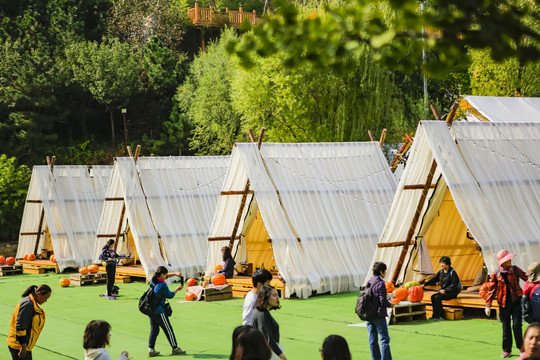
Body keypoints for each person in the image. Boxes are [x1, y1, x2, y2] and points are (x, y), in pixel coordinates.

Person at [485, 249, 528, 358]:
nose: (510, 260)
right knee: (506, 327)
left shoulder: (515, 269)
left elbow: (527, 278)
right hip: (503, 304)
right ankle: (506, 350)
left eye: (509, 259)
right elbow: (491, 289)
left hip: (516, 302)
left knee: (517, 325)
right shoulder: (496, 273)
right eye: (507, 259)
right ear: (502, 261)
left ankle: (522, 348)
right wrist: (488, 305)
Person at [147, 266, 186, 357]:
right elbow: (170, 295)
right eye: (165, 274)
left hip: (150, 309)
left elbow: (166, 276)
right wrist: (177, 289)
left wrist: (176, 273)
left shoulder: (154, 279)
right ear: (162, 274)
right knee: (168, 330)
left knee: (154, 330)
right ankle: (175, 348)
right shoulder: (162, 285)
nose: (166, 276)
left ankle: (151, 350)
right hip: (159, 311)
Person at [7, 284, 52, 360]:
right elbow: (20, 327)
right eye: (45, 298)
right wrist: (23, 347)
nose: (45, 301)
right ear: (38, 294)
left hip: (23, 345)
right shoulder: (28, 305)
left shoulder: (32, 303)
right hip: (19, 346)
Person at [420, 256, 462, 320]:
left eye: (443, 263)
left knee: (437, 297)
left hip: (452, 292)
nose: (441, 265)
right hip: (444, 292)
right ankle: (435, 315)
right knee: (433, 297)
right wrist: (424, 284)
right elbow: (434, 279)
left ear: (447, 264)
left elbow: (454, 285)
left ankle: (440, 316)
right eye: (440, 263)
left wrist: (445, 290)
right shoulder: (441, 272)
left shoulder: (452, 272)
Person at [365, 262, 392, 360]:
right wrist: (391, 304)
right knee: (384, 339)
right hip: (378, 314)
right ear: (381, 271)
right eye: (385, 271)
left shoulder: (370, 281)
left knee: (372, 339)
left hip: (368, 314)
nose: (385, 273)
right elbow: (383, 301)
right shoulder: (381, 283)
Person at [253, 285, 287, 360]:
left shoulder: (264, 312)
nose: (277, 298)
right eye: (274, 295)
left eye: (278, 295)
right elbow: (269, 340)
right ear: (265, 297)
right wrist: (283, 357)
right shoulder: (261, 314)